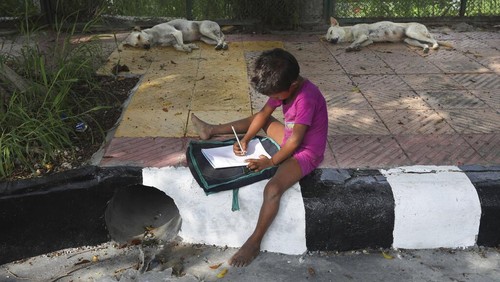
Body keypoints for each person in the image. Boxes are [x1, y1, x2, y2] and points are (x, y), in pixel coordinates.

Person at [191, 48, 328, 267]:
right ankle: (211, 129)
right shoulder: (285, 84)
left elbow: (294, 143)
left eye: (275, 96)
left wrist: (270, 162)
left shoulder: (306, 98)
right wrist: (246, 139)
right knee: (260, 119)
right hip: (290, 138)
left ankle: (254, 242)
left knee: (272, 189)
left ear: (292, 85)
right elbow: (264, 115)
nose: (273, 100)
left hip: (305, 152)